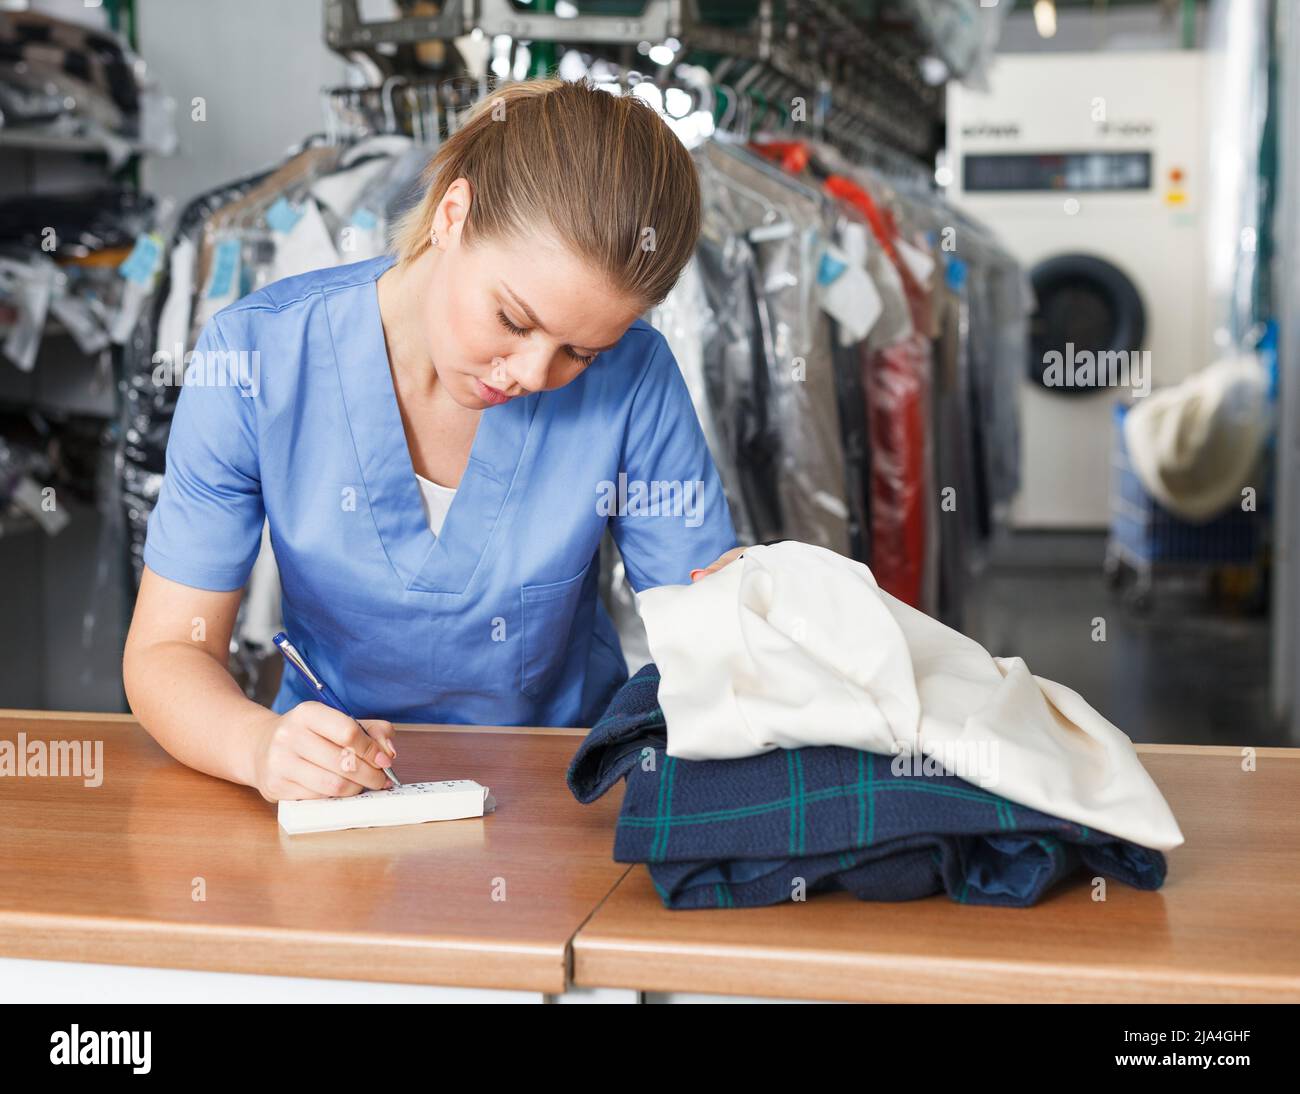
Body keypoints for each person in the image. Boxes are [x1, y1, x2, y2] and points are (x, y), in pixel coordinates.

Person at [123, 77, 744, 804]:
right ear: (452, 213)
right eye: (514, 320)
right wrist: (258, 746)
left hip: (561, 801)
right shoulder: (256, 357)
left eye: (582, 352)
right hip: (335, 803)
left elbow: (708, 638)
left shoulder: (635, 376)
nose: (534, 374)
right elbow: (170, 651)